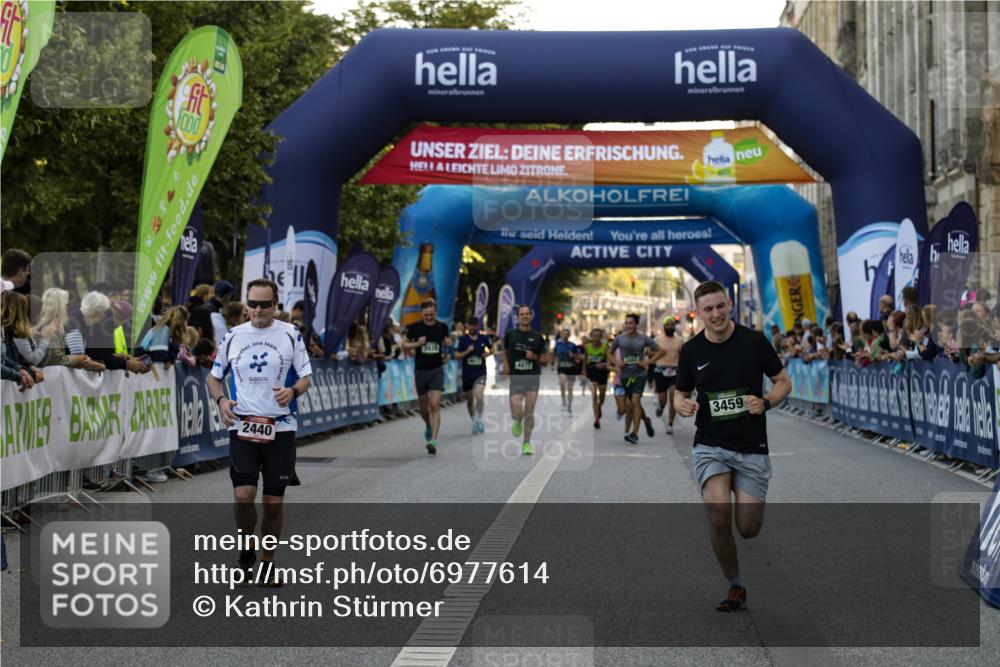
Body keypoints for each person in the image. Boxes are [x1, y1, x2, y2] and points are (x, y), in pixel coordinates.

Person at [673, 281, 792, 612]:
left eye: (720, 306)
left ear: (729, 305)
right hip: (710, 442)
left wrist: (765, 402)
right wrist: (682, 405)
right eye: (708, 309)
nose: (716, 314)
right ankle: (735, 584)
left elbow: (783, 382)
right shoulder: (692, 350)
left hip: (751, 444)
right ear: (699, 313)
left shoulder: (754, 342)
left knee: (748, 528)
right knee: (718, 513)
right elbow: (680, 393)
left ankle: (746, 516)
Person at [207, 278, 311, 586]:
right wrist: (221, 400)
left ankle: (267, 562)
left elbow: (306, 377)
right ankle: (245, 549)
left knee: (273, 502)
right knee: (243, 496)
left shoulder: (290, 334)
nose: (258, 310)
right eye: (252, 303)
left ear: (275, 305)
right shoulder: (233, 336)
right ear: (246, 303)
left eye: (265, 305)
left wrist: (293, 391)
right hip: (243, 426)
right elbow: (213, 378)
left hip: (281, 428)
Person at [401, 298, 451, 455]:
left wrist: (448, 346)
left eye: (431, 314)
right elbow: (404, 344)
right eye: (426, 315)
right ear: (421, 314)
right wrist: (417, 344)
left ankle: (433, 441)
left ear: (435, 312)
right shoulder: (415, 327)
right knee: (424, 409)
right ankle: (428, 425)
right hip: (421, 371)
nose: (429, 317)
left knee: (435, 405)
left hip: (437, 370)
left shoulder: (442, 327)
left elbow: (446, 344)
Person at [608, 314, 663, 444]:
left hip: (639, 374)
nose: (628, 325)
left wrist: (647, 362)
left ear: (636, 325)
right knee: (633, 404)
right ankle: (646, 420)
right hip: (625, 375)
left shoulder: (643, 338)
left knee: (635, 400)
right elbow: (609, 352)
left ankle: (634, 434)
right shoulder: (620, 338)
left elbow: (661, 351)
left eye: (631, 323)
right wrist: (617, 363)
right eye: (626, 323)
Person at [503, 305, 547, 455]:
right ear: (517, 317)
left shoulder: (538, 337)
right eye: (522, 314)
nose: (525, 316)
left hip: (532, 379)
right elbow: (505, 352)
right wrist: (506, 365)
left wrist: (534, 357)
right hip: (516, 378)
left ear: (531, 316)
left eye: (527, 314)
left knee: (529, 412)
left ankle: (527, 443)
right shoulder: (510, 335)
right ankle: (517, 420)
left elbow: (544, 361)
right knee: (517, 411)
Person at [454, 317, 491, 434]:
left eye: (474, 325)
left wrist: (487, 353)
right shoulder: (462, 340)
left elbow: (492, 349)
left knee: (479, 397)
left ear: (477, 326)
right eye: (470, 325)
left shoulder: (484, 338)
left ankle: (479, 419)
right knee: (470, 401)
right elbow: (456, 355)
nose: (472, 327)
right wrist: (467, 351)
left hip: (480, 372)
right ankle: (474, 420)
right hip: (467, 374)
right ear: (467, 326)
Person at [653, 316, 684, 435]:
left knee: (673, 395)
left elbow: (684, 356)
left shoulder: (680, 340)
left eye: (672, 325)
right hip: (660, 370)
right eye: (667, 325)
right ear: (664, 326)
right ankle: (661, 407)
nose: (670, 327)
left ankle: (670, 424)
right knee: (663, 400)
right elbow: (650, 352)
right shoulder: (657, 339)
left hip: (675, 371)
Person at [584, 328, 610, 429]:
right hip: (591, 371)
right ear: (591, 337)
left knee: (601, 398)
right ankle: (596, 419)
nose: (597, 338)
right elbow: (585, 360)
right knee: (594, 395)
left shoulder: (605, 346)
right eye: (594, 336)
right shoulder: (587, 347)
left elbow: (610, 360)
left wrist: (605, 364)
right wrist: (583, 372)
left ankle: (599, 407)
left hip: (602, 372)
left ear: (601, 337)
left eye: (599, 336)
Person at [554, 328, 583, 414]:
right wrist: (552, 363)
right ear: (561, 335)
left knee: (570, 389)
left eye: (567, 334)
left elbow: (579, 357)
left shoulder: (573, 345)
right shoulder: (558, 345)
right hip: (561, 368)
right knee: (562, 383)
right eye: (564, 334)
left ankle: (569, 405)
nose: (565, 335)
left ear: (569, 335)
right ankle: (563, 400)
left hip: (571, 368)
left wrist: (573, 355)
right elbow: (553, 354)